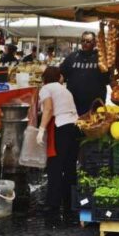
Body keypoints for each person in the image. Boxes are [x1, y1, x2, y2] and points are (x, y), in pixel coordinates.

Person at [36, 66, 80, 213]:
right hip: (74, 127)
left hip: (60, 127)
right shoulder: (64, 89)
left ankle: (53, 203)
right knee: (70, 165)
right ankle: (71, 200)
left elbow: (48, 109)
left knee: (55, 165)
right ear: (59, 77)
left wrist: (41, 130)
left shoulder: (46, 88)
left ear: (44, 78)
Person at [60, 31, 111, 116]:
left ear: (94, 43)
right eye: (83, 41)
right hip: (74, 103)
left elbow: (107, 79)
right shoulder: (72, 57)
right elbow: (62, 74)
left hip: (95, 104)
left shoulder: (101, 59)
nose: (85, 43)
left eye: (88, 41)